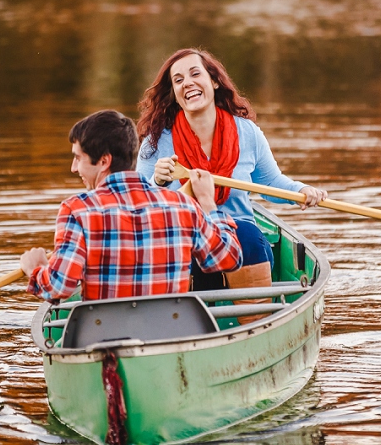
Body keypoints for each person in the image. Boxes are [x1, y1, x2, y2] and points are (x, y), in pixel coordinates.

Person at [136, 48, 327, 318]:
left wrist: (301, 191)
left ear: (214, 81)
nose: (187, 83)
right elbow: (136, 205)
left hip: (240, 243)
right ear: (174, 94)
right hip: (183, 240)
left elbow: (271, 182)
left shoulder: (247, 133)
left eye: (194, 74)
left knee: (247, 236)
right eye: (178, 80)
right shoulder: (156, 142)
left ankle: (256, 323)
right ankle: (179, 325)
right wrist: (157, 180)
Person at [19, 109, 242, 302]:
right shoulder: (183, 205)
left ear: (104, 161)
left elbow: (58, 288)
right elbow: (230, 258)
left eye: (78, 158)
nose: (73, 168)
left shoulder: (77, 211)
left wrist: (36, 270)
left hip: (106, 342)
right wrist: (209, 204)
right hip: (171, 335)